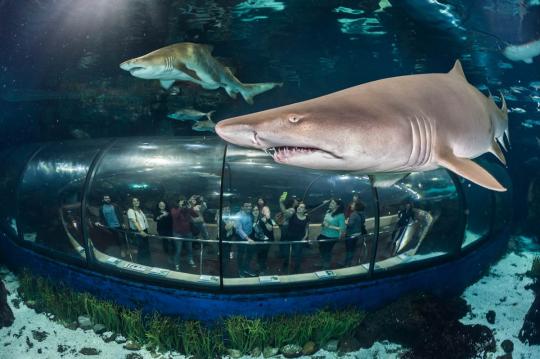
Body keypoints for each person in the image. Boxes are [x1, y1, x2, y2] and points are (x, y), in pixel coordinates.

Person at [170, 196, 197, 270]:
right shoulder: (174, 209)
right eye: (181, 201)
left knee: (190, 249)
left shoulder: (187, 209)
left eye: (183, 201)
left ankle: (190, 260)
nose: (183, 202)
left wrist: (190, 207)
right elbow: (175, 216)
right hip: (178, 233)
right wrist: (180, 207)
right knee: (178, 250)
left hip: (188, 232)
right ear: (178, 202)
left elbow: (195, 215)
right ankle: (177, 263)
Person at [318, 199, 346, 269]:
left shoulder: (340, 215)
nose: (330, 204)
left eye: (333, 203)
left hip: (332, 236)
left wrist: (330, 226)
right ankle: (322, 261)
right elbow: (325, 222)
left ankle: (326, 265)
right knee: (321, 248)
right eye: (330, 203)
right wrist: (323, 224)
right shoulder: (328, 211)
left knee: (327, 250)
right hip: (323, 233)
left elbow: (342, 228)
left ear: (338, 206)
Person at [282, 202, 309, 274]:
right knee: (286, 254)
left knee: (298, 255)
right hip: (288, 237)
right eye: (299, 206)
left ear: (305, 210)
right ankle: (285, 265)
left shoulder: (307, 218)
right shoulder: (292, 215)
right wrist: (281, 202)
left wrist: (305, 237)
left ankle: (296, 269)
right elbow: (284, 212)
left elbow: (306, 228)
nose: (299, 208)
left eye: (302, 207)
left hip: (299, 239)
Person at [252, 205, 276, 275]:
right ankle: (260, 269)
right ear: (262, 212)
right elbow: (255, 228)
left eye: (267, 211)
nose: (266, 212)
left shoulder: (271, 220)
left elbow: (270, 229)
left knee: (264, 255)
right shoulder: (259, 219)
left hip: (267, 242)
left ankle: (262, 269)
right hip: (259, 241)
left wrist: (266, 222)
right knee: (259, 255)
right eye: (264, 211)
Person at [127, 197, 151, 266]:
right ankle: (141, 264)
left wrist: (145, 231)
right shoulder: (131, 210)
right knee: (141, 248)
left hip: (144, 230)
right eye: (134, 201)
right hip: (139, 231)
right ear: (131, 203)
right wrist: (140, 231)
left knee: (145, 247)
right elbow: (134, 221)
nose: (136, 202)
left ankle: (147, 263)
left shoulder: (139, 210)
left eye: (137, 200)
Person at [234, 201, 256, 277]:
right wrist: (248, 239)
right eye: (246, 206)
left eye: (250, 206)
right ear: (242, 207)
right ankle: (240, 270)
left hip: (249, 237)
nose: (249, 208)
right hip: (241, 238)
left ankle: (246, 268)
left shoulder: (250, 214)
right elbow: (239, 230)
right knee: (241, 254)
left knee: (249, 254)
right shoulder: (238, 215)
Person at [344, 201, 367, 267]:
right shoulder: (362, 213)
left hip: (351, 234)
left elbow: (350, 225)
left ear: (356, 207)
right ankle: (350, 262)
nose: (351, 206)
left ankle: (347, 263)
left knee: (349, 249)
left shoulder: (353, 214)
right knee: (353, 248)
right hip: (358, 233)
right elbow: (362, 222)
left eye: (353, 205)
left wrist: (346, 222)